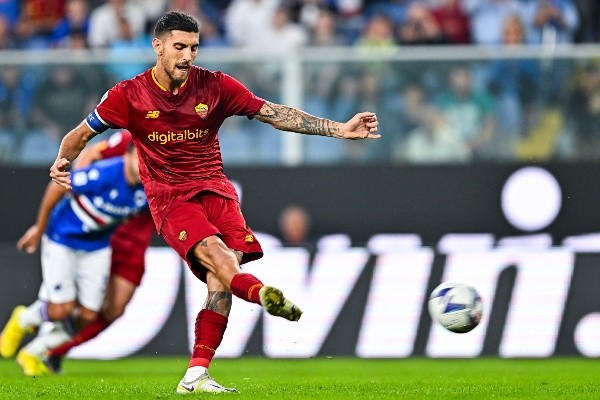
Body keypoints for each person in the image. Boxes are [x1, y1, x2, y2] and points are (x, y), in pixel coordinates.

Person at [49, 10, 379, 394]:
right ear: (157, 46)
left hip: (217, 191)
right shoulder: (128, 95)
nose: (188, 56)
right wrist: (62, 159)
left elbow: (275, 114)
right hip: (171, 199)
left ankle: (196, 374)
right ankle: (260, 294)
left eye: (193, 47)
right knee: (217, 256)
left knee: (219, 282)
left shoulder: (216, 86)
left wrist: (340, 129)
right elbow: (81, 133)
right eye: (179, 47)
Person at [0, 143, 148, 376]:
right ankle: (23, 319)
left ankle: (35, 350)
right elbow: (57, 186)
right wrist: (39, 228)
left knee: (88, 315)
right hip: (62, 238)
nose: (144, 167)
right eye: (140, 159)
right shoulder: (105, 173)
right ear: (128, 155)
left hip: (97, 247)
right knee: (61, 310)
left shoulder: (147, 192)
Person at [39, 130, 155, 374]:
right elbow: (91, 152)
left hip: (136, 243)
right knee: (74, 301)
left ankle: (55, 351)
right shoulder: (130, 138)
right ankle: (44, 323)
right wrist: (82, 198)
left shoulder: (185, 150)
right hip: (106, 233)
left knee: (113, 309)